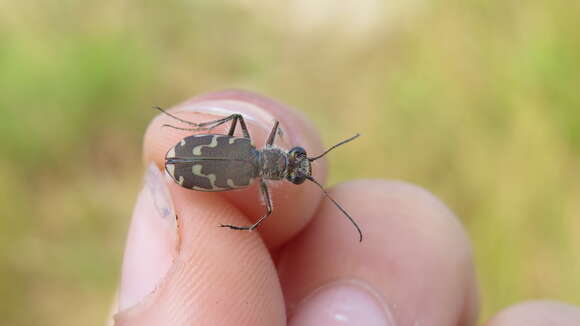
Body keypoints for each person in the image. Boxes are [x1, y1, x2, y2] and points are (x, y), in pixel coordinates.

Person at [113, 90, 580, 325]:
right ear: (281, 160)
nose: (298, 164)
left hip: (214, 165)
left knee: (235, 140)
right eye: (297, 164)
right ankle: (178, 126)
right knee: (239, 143)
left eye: (296, 166)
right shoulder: (261, 180)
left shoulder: (258, 168)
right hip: (210, 165)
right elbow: (263, 212)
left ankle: (179, 129)